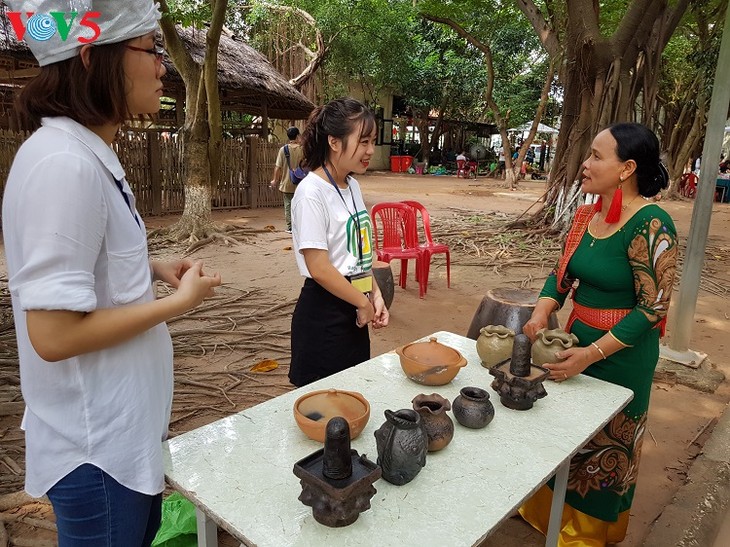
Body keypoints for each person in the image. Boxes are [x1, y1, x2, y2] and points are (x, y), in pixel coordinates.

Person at [1, 1, 222, 545]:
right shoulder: (65, 165)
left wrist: (147, 266)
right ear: (88, 58)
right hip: (96, 456)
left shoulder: (82, 152)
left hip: (120, 443)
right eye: (149, 50)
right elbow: (52, 334)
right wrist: (177, 304)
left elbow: (77, 269)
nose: (162, 68)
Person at [519, 122, 678, 545]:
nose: (585, 164)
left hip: (621, 357)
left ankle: (587, 532)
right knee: (563, 434)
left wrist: (591, 355)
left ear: (626, 168)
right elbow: (561, 276)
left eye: (595, 156)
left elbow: (654, 306)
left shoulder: (652, 223)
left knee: (604, 446)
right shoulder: (585, 215)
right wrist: (540, 314)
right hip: (571, 344)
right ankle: (545, 513)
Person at [289, 97, 389, 387]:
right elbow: (318, 267)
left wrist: (375, 294)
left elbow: (358, 253)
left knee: (353, 397)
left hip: (354, 306)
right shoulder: (311, 193)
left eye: (372, 141)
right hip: (324, 315)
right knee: (323, 409)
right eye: (363, 142)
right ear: (334, 142)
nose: (370, 150)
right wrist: (362, 301)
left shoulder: (352, 185)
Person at [270, 126, 304, 233]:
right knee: (300, 205)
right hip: (300, 183)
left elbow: (277, 167)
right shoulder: (302, 149)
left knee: (288, 205)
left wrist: (275, 180)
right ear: (298, 136)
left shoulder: (283, 150)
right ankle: (299, 226)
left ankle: (290, 227)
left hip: (286, 183)